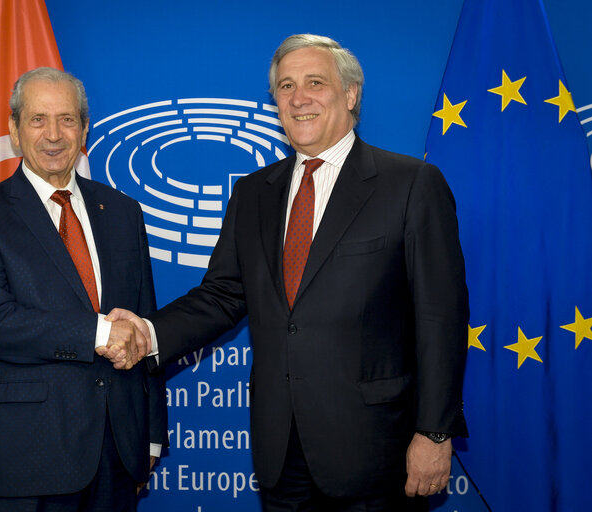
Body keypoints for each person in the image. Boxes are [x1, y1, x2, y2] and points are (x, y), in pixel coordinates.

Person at [104, 34, 468, 511]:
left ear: (351, 94)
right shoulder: (254, 193)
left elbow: (440, 318)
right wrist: (148, 333)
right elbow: (221, 296)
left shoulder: (411, 184)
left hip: (379, 451)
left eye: (315, 83)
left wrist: (434, 432)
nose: (299, 98)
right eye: (285, 86)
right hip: (280, 451)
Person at [0, 67, 167, 511]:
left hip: (117, 453)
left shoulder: (124, 212)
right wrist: (99, 334)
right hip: (25, 455)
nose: (54, 134)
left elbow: (146, 323)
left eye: (67, 120)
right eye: (37, 119)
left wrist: (151, 434)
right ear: (14, 128)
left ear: (84, 129)